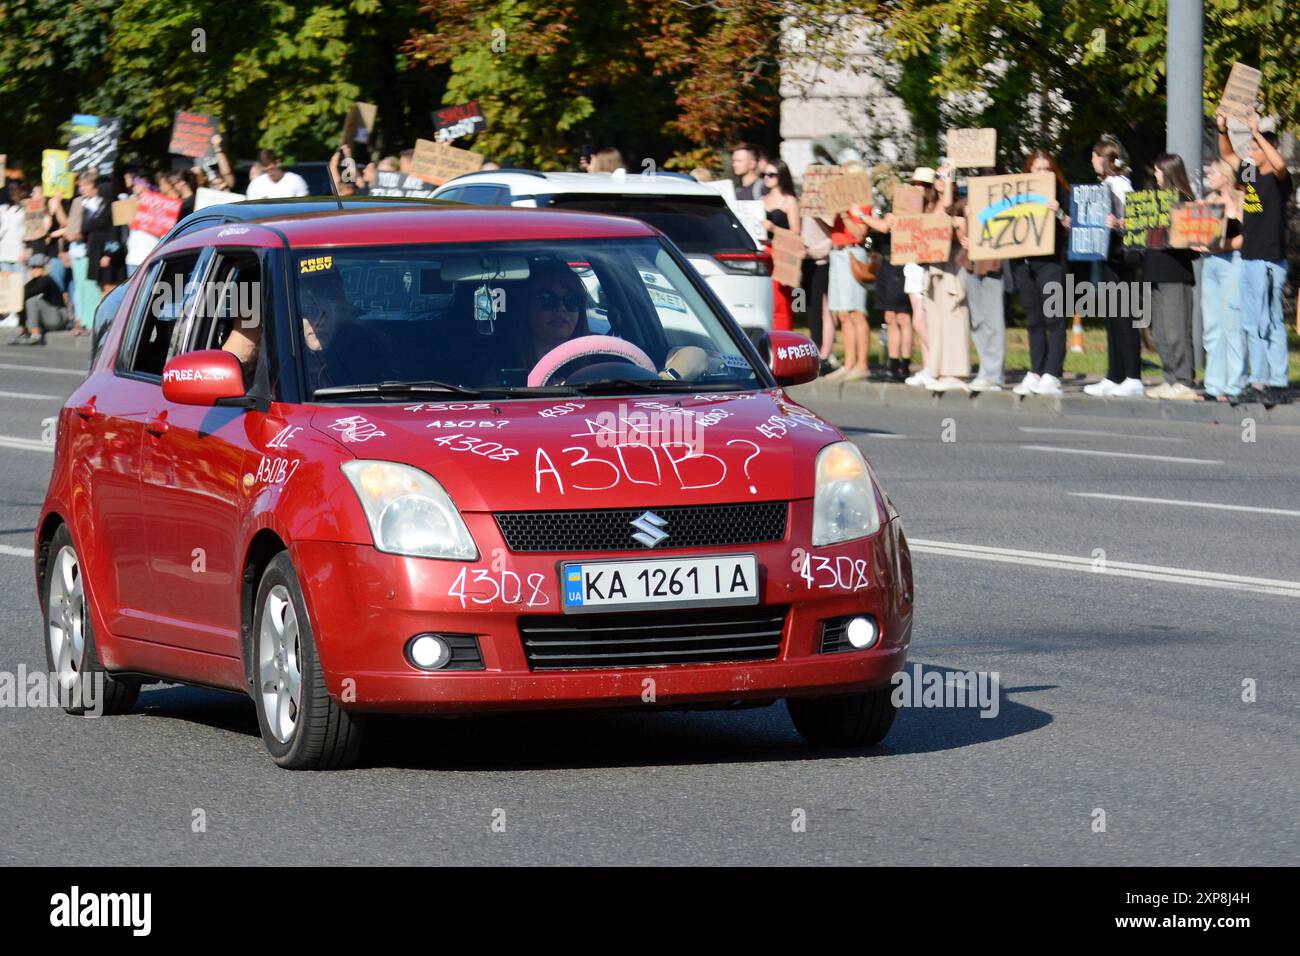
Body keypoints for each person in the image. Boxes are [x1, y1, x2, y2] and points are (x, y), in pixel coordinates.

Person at [1217, 109, 1293, 404]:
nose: (1248, 150)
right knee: (1252, 323)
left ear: (1266, 149)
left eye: (1254, 147)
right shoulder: (1249, 175)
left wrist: (1258, 132)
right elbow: (1228, 156)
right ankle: (1260, 382)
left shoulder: (1278, 180)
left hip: (1269, 260)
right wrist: (1222, 129)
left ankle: (1278, 382)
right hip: (1250, 258)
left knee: (1270, 321)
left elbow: (1280, 163)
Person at [1082, 134, 1144, 398]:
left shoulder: (1120, 185)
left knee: (1124, 316)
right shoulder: (1106, 184)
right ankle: (1115, 373)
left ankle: (1132, 375)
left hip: (1121, 256)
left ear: (1102, 158)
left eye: (1095, 156)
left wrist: (1117, 224)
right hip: (1108, 255)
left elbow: (1136, 220)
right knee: (1113, 316)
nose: (1092, 160)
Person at [1009, 150, 1071, 396]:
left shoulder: (1061, 193)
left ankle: (1053, 372)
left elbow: (1072, 225)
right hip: (1024, 263)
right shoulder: (1018, 194)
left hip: (1052, 262)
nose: (1043, 173)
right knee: (1034, 319)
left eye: (1047, 169)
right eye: (1038, 169)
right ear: (1029, 172)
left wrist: (1058, 212)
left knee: (1054, 318)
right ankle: (1036, 370)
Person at [1143, 153, 1199, 400]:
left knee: (1177, 329)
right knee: (1161, 332)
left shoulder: (1184, 200)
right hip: (1155, 270)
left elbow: (1192, 240)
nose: (1155, 175)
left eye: (1158, 170)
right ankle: (1170, 378)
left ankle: (1185, 379)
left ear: (1168, 171)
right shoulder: (1154, 201)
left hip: (1176, 272)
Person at [915, 161, 971, 391]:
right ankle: (938, 369)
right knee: (935, 320)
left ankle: (956, 372)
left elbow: (949, 215)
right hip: (932, 267)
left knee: (953, 318)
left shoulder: (959, 204)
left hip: (951, 267)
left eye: (946, 176)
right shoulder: (928, 206)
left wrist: (949, 181)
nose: (941, 179)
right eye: (938, 175)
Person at [1196, 159, 1247, 403]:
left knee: (1232, 323)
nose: (1209, 177)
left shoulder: (1240, 201)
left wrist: (1221, 246)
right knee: (1213, 325)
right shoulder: (1209, 201)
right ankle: (1213, 384)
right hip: (1211, 264)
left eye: (1213, 173)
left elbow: (1245, 238)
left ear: (1226, 175)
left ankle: (1235, 383)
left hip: (1233, 263)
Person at [823, 161, 871, 381]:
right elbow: (834, 231)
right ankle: (849, 363)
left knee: (856, 312)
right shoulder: (840, 202)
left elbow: (859, 233)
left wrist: (843, 214)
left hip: (853, 253)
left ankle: (862, 364)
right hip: (837, 252)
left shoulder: (861, 201)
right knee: (842, 312)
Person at [513, 260, 591, 369]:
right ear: (526, 306)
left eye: (572, 300)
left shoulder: (599, 356)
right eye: (547, 299)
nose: (561, 308)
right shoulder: (502, 363)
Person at [761, 159, 799, 332]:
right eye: (764, 174)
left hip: (783, 252)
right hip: (764, 251)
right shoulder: (762, 199)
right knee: (766, 297)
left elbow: (796, 232)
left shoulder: (789, 200)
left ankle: (783, 338)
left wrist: (773, 228)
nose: (766, 178)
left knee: (781, 301)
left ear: (781, 176)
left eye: (771, 174)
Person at [12, 254, 65, 346]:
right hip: (47, 318)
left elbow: (33, 292)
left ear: (45, 268)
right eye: (32, 267)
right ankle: (25, 332)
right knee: (20, 300)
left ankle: (36, 335)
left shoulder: (47, 280)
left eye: (39, 267)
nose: (35, 270)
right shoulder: (32, 282)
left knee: (31, 300)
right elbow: (20, 294)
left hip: (57, 317)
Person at [0, 185, 24, 328]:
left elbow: (25, 230)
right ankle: (7, 314)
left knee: (17, 284)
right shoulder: (3, 210)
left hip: (17, 251)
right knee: (6, 285)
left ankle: (17, 314)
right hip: (4, 251)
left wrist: (23, 249)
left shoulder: (23, 210)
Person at [245, 149, 309, 200]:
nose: (270, 172)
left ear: (278, 162)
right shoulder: (256, 184)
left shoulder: (296, 180)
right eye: (266, 170)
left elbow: (304, 206)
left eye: (271, 168)